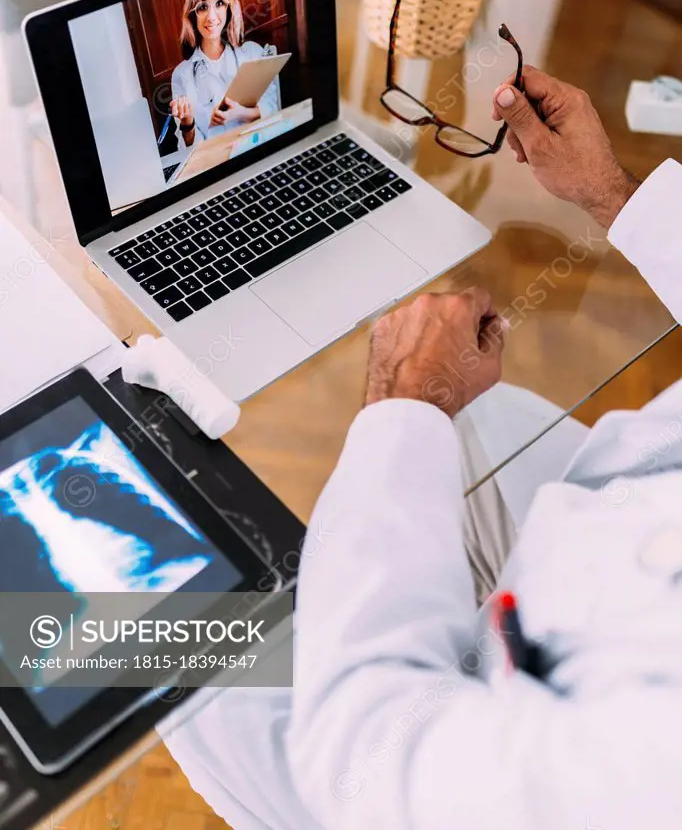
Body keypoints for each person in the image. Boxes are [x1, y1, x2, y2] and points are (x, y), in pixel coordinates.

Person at [163, 68, 682, 830]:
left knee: (157, 640)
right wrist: (610, 190)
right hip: (613, 517)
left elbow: (367, 758)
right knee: (488, 408)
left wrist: (406, 398)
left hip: (396, 756)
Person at [170, 0, 279, 149]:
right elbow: (189, 150)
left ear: (229, 8)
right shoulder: (182, 75)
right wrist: (187, 125)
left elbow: (274, 109)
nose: (212, 17)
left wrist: (239, 113)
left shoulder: (252, 53)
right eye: (203, 7)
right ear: (192, 15)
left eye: (219, 3)